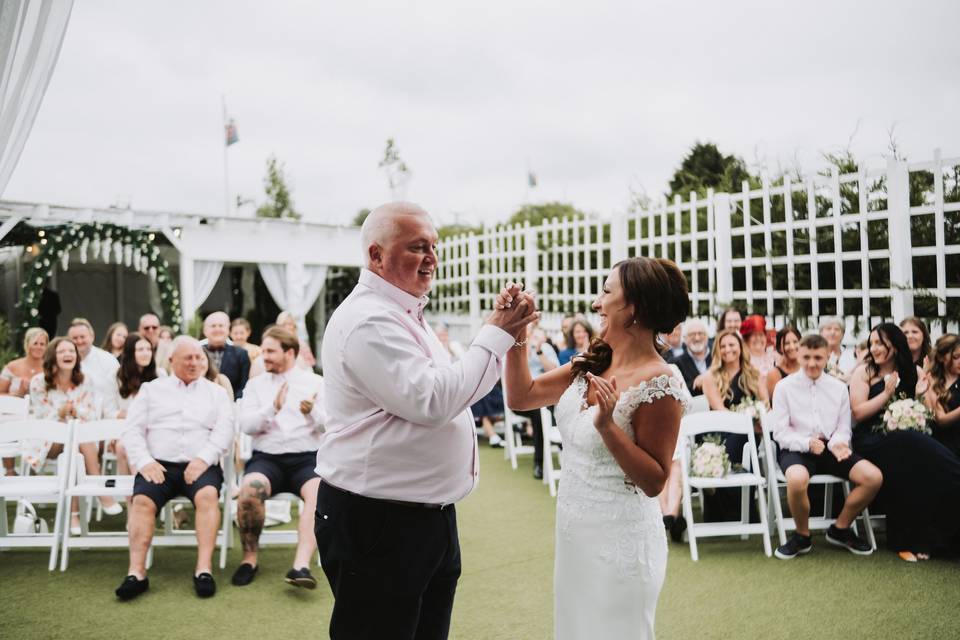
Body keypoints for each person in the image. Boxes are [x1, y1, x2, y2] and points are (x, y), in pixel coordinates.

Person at [314, 202, 535, 639]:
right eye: (418, 247)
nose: (433, 257)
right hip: (379, 522)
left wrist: (499, 330)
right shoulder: (369, 320)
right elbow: (433, 401)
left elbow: (461, 389)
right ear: (376, 256)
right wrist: (496, 333)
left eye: (434, 246)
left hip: (426, 517)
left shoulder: (405, 312)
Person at [502, 256, 690, 640]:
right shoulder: (592, 362)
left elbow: (655, 480)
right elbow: (522, 396)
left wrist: (606, 426)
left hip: (621, 543)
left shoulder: (659, 382)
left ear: (632, 308)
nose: (595, 303)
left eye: (606, 292)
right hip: (575, 535)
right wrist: (516, 332)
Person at [115, 336, 234, 600]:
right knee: (142, 501)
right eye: (188, 358)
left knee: (207, 496)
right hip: (158, 464)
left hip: (201, 464)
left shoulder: (216, 393)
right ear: (171, 361)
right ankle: (136, 573)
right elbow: (132, 430)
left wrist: (203, 459)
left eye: (198, 358)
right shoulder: (151, 390)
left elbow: (225, 430)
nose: (194, 363)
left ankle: (203, 570)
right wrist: (145, 461)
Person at [849, 323, 960, 561]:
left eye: (880, 343)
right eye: (872, 343)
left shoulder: (914, 372)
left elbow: (930, 414)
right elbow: (858, 413)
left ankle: (934, 540)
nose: (874, 348)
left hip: (905, 440)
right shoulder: (864, 372)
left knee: (922, 466)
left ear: (894, 345)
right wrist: (886, 394)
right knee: (911, 442)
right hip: (871, 439)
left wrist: (920, 394)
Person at [770, 334, 882, 559]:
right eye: (807, 357)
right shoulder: (783, 387)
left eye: (818, 358)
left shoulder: (839, 388)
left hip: (831, 447)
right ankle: (802, 536)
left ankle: (840, 528)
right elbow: (780, 432)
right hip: (796, 447)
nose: (812, 363)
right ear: (798, 355)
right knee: (797, 479)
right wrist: (805, 443)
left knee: (873, 477)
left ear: (828, 356)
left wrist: (838, 443)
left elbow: (843, 427)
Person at [233, 326, 325, 589]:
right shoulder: (255, 385)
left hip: (306, 459)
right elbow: (246, 425)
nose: (264, 357)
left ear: (291, 352)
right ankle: (249, 559)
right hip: (267, 459)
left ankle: (301, 566)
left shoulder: (315, 383)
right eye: (263, 351)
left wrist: (313, 412)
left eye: (271, 351)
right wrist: (271, 409)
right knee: (249, 490)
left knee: (319, 494)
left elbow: (330, 426)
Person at [29, 338, 121, 529]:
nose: (68, 354)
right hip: (48, 440)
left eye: (71, 351)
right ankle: (100, 490)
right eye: (62, 351)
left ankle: (74, 515)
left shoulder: (85, 380)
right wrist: (60, 413)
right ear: (53, 356)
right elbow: (39, 418)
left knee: (75, 441)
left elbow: (91, 414)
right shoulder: (39, 382)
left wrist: (75, 412)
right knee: (75, 436)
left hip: (78, 439)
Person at [702, 329, 768, 523]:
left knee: (742, 442)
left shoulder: (754, 374)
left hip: (750, 434)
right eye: (722, 346)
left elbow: (765, 405)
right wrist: (745, 420)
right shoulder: (711, 377)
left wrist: (757, 415)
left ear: (740, 348)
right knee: (731, 445)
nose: (727, 349)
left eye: (731, 345)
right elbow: (720, 410)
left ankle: (728, 503)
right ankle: (736, 511)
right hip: (720, 431)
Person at [105, 333, 166, 480]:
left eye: (148, 349)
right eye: (140, 349)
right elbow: (109, 411)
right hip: (122, 429)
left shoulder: (160, 374)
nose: (146, 353)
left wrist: (134, 414)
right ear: (131, 353)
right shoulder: (115, 376)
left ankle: (142, 492)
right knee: (122, 447)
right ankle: (133, 497)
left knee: (129, 446)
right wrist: (134, 415)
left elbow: (164, 409)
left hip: (154, 430)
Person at [513, 325, 560, 479]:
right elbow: (516, 375)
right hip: (523, 400)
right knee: (540, 414)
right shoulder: (518, 348)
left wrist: (540, 352)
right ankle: (539, 462)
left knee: (551, 408)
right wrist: (526, 350)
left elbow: (554, 371)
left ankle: (559, 445)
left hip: (546, 397)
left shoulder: (545, 349)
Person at [68, 317, 120, 413]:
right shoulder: (64, 362)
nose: (79, 341)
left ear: (92, 337)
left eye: (82, 337)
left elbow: (118, 391)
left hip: (104, 418)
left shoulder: (108, 360)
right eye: (75, 338)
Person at [924, 334, 960, 457]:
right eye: (956, 357)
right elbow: (941, 420)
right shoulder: (932, 381)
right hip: (944, 445)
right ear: (940, 357)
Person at [202, 311, 250, 399]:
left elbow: (244, 386)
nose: (217, 329)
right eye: (213, 326)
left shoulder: (241, 354)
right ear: (205, 331)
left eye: (221, 326)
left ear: (228, 330)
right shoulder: (197, 353)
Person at [1, 327, 48, 398]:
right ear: (27, 344)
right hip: (13, 408)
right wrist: (18, 394)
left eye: (42, 344)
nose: (39, 347)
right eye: (35, 343)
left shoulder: (50, 368)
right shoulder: (12, 366)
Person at [669, 318, 710, 396]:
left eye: (700, 333)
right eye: (692, 334)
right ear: (685, 338)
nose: (697, 338)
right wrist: (696, 384)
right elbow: (674, 392)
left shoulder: (717, 357)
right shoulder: (675, 363)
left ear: (706, 336)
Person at [765, 326, 801, 399]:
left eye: (795, 342)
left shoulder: (808, 369)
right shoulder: (774, 374)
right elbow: (772, 404)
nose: (792, 347)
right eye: (786, 343)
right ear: (779, 347)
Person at [819, 317, 857, 382]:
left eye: (836, 329)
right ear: (821, 333)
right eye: (828, 329)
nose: (832, 332)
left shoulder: (852, 354)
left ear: (842, 334)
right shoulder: (814, 354)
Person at [740, 314, 776, 379]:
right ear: (746, 339)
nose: (758, 338)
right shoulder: (741, 360)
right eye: (754, 335)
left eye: (761, 334)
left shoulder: (775, 357)